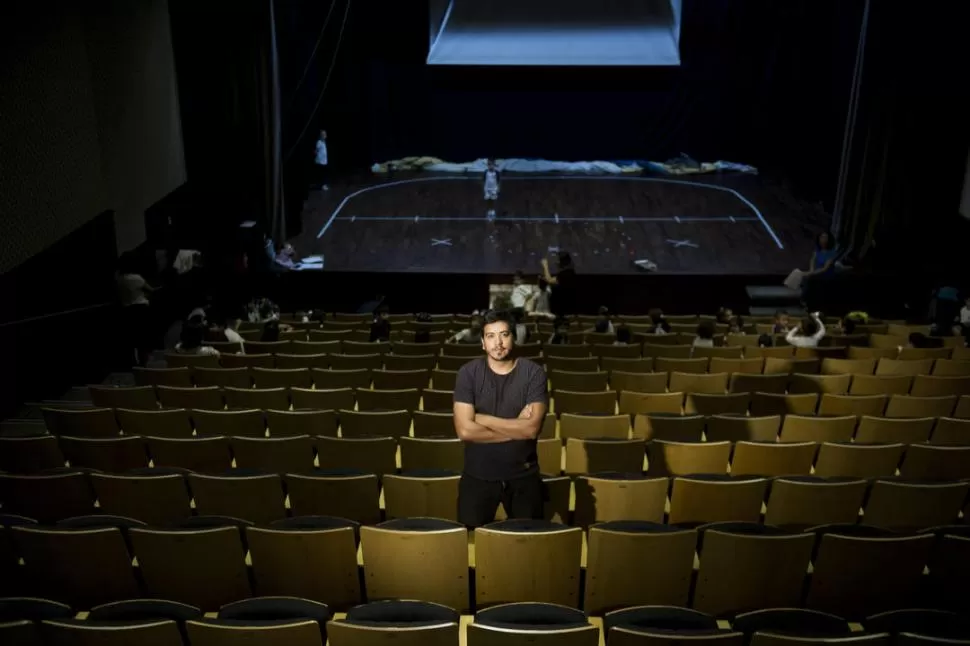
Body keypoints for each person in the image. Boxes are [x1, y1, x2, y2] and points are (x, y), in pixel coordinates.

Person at [453, 310, 548, 527]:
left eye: (504, 335)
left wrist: (482, 419)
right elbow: (465, 432)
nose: (498, 343)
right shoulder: (468, 373)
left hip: (524, 476)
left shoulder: (534, 373)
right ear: (483, 343)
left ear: (514, 337)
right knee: (470, 542)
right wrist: (516, 429)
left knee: (528, 543)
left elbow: (531, 429)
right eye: (491, 336)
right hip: (477, 475)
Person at [116, 252, 157, 366]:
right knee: (143, 338)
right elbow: (151, 290)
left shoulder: (119, 279)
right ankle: (145, 361)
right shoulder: (137, 278)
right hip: (141, 310)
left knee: (132, 338)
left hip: (127, 311)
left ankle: (134, 363)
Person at [541, 252, 577, 318]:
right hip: (566, 308)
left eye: (558, 260)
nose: (556, 262)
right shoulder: (569, 272)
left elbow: (550, 280)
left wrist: (545, 266)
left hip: (564, 308)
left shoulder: (566, 273)